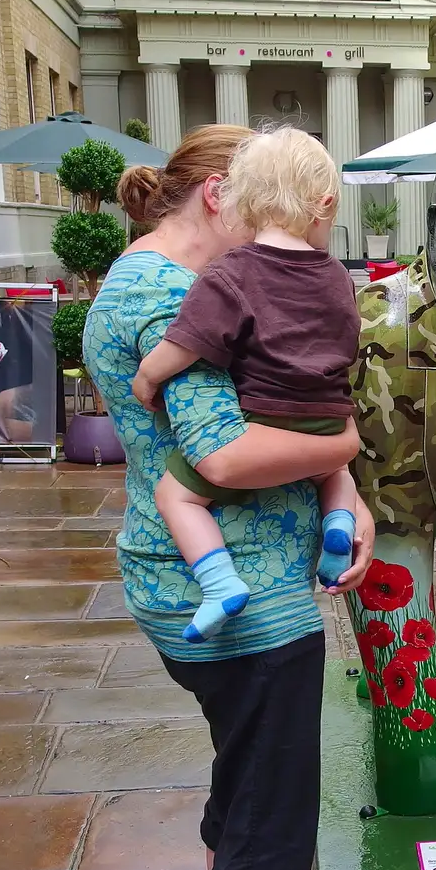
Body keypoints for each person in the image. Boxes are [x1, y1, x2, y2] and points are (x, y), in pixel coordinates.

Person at [82, 124, 373, 870]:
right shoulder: (170, 292)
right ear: (218, 196)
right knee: (269, 819)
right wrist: (348, 442)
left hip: (202, 576)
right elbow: (222, 456)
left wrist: (342, 482)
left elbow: (291, 397)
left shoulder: (161, 278)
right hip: (246, 602)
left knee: (242, 776)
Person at [132, 127, 361, 641]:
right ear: (323, 204)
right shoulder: (338, 275)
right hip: (326, 414)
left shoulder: (231, 272)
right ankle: (339, 527)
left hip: (262, 414)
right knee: (334, 469)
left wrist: (147, 376)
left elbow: (187, 341)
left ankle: (219, 586)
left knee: (176, 496)